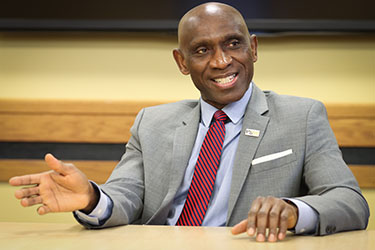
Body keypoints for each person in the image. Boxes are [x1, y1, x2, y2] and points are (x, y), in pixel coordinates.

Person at [9, 2, 369, 242]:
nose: (221, 61)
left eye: (233, 44)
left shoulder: (302, 116)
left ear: (254, 48)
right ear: (182, 63)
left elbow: (350, 202)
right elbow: (125, 197)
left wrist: (294, 211)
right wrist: (90, 198)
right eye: (202, 50)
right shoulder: (153, 122)